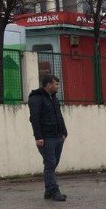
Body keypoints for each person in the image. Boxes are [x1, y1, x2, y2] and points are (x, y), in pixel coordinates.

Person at [27, 73, 68, 201]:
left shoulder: (53, 97)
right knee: (50, 163)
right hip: (46, 137)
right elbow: (35, 119)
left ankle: (48, 191)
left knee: (53, 164)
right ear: (49, 84)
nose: (58, 86)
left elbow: (59, 116)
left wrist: (64, 132)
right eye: (56, 84)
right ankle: (54, 191)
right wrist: (38, 137)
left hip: (58, 136)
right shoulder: (36, 98)